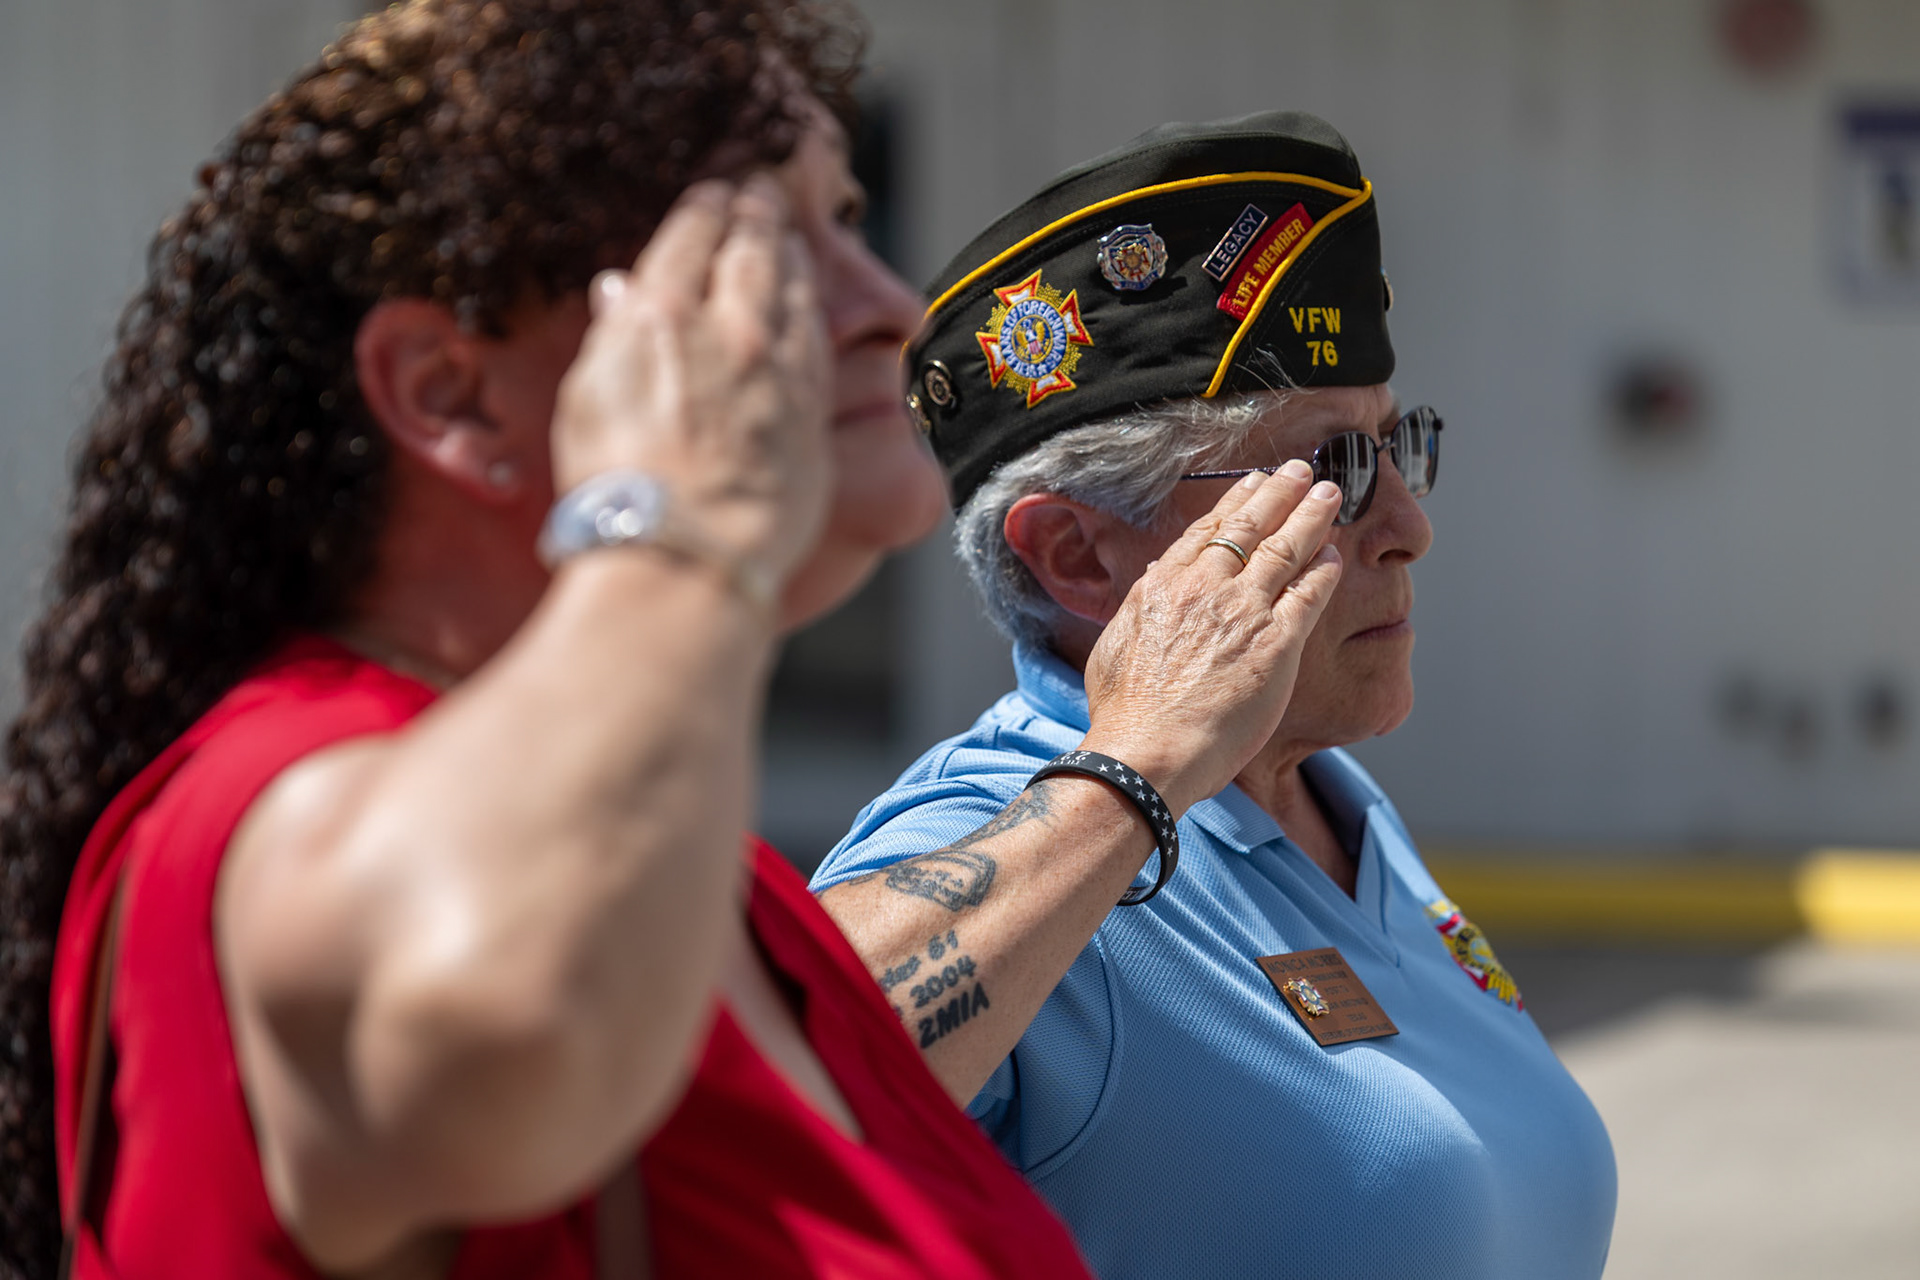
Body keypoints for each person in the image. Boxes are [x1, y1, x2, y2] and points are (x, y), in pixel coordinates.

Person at [0, 2, 1204, 1276]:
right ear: (449, 392)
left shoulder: (726, 897)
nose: (885, 309)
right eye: (743, 244)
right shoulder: (274, 792)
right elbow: (508, 1031)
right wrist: (682, 528)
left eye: (845, 220)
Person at [811, 111, 1619, 1279]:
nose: (1409, 526)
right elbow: (777, 1079)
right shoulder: (1017, 822)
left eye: (1402, 445)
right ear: (1082, 557)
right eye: (1333, 470)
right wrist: (1132, 769)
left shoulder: (1316, 790)